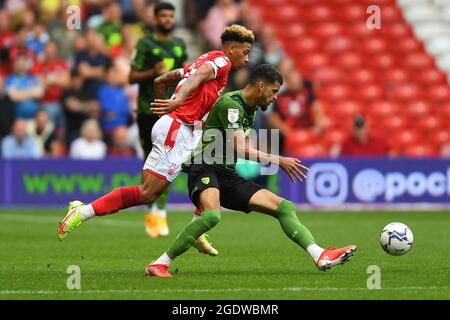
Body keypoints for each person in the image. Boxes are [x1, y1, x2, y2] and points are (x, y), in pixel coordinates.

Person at [57, 24, 254, 258]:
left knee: (211, 171)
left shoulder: (202, 60)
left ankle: (198, 230)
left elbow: (162, 79)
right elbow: (197, 77)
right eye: (245, 52)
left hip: (183, 129)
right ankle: (83, 211)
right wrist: (177, 102)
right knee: (148, 193)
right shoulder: (222, 61)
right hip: (178, 129)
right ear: (232, 48)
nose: (247, 58)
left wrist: (165, 107)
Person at [146, 64, 357, 277]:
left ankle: (319, 254)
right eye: (274, 91)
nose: (275, 97)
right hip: (204, 168)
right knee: (212, 216)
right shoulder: (232, 104)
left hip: (226, 174)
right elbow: (239, 147)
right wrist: (278, 159)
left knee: (284, 207)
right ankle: (160, 264)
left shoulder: (251, 108)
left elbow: (238, 147)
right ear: (262, 86)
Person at [128, 2, 188, 238]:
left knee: (171, 160)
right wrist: (153, 72)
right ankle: (151, 205)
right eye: (163, 15)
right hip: (147, 110)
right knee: (151, 161)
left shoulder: (179, 45)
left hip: (171, 111)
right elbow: (131, 76)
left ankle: (160, 211)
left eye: (170, 16)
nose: (167, 19)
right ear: (155, 19)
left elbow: (187, 75)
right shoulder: (145, 44)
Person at [266, 70, 325, 154]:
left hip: (307, 129)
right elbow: (274, 117)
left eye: (297, 82)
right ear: (287, 83)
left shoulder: (307, 94)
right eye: (292, 82)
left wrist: (317, 128)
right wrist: (287, 132)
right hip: (288, 132)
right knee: (274, 136)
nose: (295, 84)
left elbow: (318, 109)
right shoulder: (279, 97)